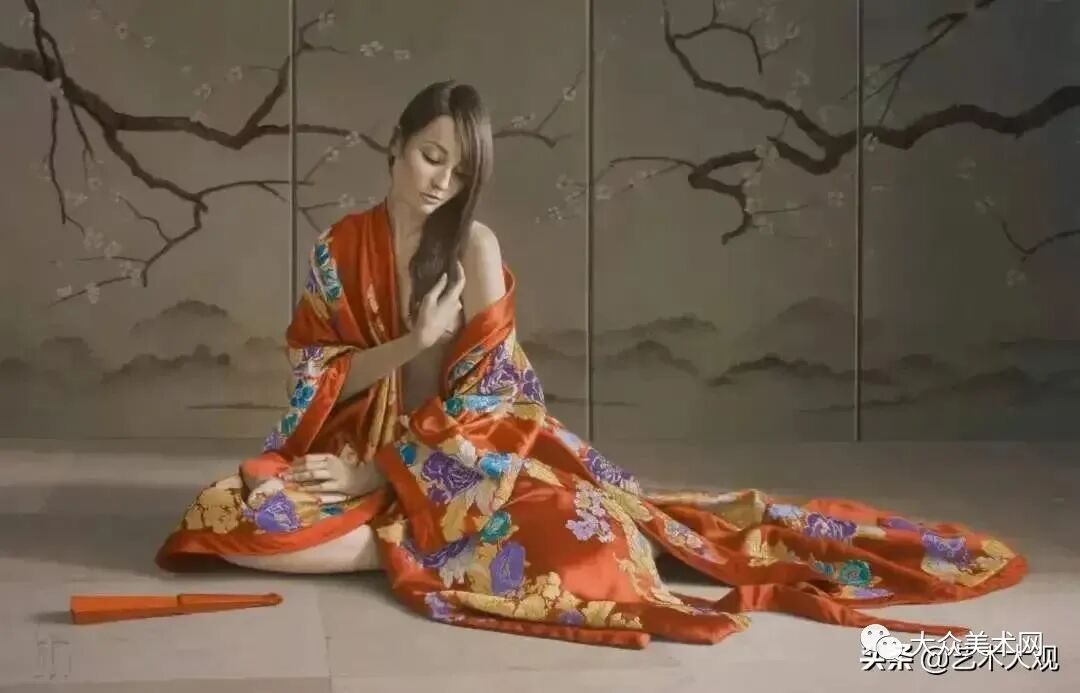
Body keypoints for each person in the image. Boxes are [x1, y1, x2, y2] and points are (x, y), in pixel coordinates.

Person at [156, 80, 1027, 649]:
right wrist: (414, 344)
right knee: (234, 510)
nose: (440, 181)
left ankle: (392, 537)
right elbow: (317, 372)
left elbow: (493, 404)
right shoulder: (337, 248)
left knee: (583, 542)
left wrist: (378, 477)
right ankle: (401, 538)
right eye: (430, 155)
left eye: (460, 170)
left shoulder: (476, 248)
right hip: (354, 449)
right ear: (396, 144)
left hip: (470, 463)